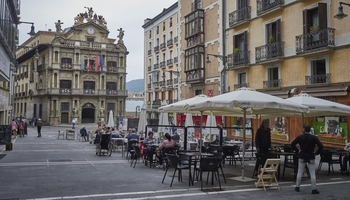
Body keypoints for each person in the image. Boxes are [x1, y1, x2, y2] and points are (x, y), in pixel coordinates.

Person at [291, 124, 323, 194]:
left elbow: (292, 144)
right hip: (311, 155)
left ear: (304, 129)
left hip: (302, 155)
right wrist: (316, 152)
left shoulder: (300, 137)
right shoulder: (313, 138)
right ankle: (314, 189)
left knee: (300, 172)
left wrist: (297, 151)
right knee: (312, 173)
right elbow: (321, 146)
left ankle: (297, 187)